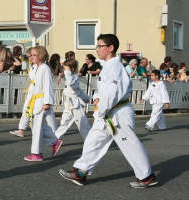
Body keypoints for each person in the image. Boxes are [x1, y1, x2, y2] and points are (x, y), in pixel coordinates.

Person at [59, 34, 158, 188]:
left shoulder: (115, 66)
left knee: (129, 144)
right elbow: (104, 89)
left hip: (117, 113)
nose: (97, 49)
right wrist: (97, 98)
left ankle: (147, 176)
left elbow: (113, 91)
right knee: (93, 139)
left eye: (100, 46)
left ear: (110, 48)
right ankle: (81, 172)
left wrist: (101, 109)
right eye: (97, 46)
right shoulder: (108, 66)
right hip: (108, 112)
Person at [24, 46, 62, 162]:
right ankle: (54, 140)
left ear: (40, 55)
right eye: (31, 55)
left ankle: (37, 153)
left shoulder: (45, 68)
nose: (31, 57)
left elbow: (48, 86)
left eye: (34, 55)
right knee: (35, 125)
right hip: (35, 100)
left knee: (36, 127)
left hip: (41, 101)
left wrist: (47, 102)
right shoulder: (37, 67)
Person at [54, 58, 91, 140]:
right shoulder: (71, 77)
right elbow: (78, 89)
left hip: (75, 103)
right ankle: (55, 139)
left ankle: (90, 140)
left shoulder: (73, 78)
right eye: (64, 69)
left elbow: (74, 87)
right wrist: (85, 97)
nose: (64, 71)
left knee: (82, 123)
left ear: (72, 69)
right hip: (69, 104)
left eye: (66, 69)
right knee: (65, 122)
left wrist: (85, 97)